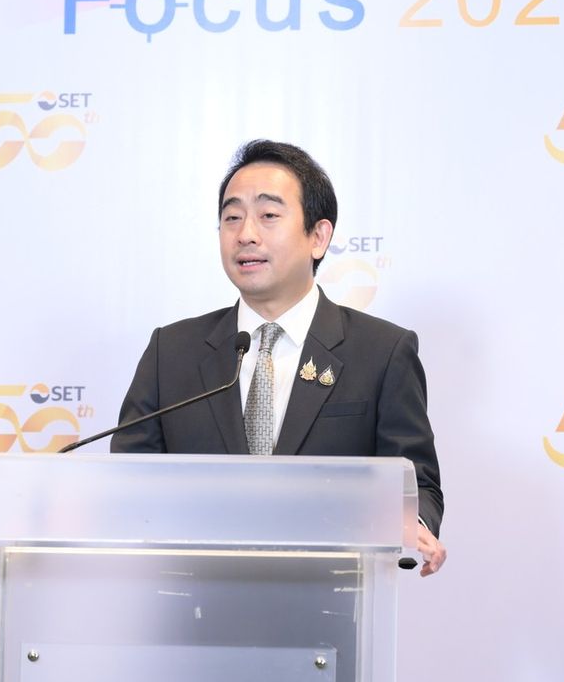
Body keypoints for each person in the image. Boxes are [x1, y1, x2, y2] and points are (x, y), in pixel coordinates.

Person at [111, 140, 446, 576]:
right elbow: (127, 483)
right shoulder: (171, 352)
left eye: (268, 215)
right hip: (192, 600)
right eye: (232, 217)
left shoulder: (381, 352)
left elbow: (417, 482)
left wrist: (412, 523)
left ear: (318, 237)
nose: (246, 234)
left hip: (330, 601)